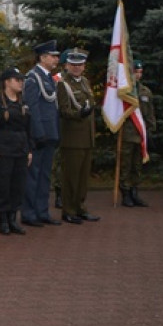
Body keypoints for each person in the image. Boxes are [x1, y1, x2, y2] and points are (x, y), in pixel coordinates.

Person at [0, 67, 32, 235]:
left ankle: (13, 219)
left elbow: (28, 127)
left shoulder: (23, 102)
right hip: (3, 150)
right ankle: (3, 220)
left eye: (21, 80)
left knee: (18, 186)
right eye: (17, 80)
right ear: (7, 82)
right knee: (3, 186)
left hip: (20, 149)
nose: (21, 83)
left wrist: (29, 149)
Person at [21, 40, 62, 228]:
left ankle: (42, 211)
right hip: (40, 136)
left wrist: (55, 132)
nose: (56, 59)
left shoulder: (48, 78)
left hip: (50, 133)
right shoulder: (32, 78)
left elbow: (52, 108)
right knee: (33, 175)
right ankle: (29, 213)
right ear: (43, 57)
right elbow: (32, 109)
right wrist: (38, 134)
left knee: (45, 175)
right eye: (53, 56)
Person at [57, 49, 99, 224]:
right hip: (72, 138)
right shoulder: (63, 84)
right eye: (73, 65)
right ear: (67, 65)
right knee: (71, 177)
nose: (77, 68)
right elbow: (63, 110)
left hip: (87, 137)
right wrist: (79, 114)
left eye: (80, 65)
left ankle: (80, 207)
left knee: (82, 177)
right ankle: (68, 210)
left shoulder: (85, 82)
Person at [119, 60, 156, 207]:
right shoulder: (124, 91)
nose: (138, 75)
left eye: (140, 72)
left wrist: (151, 129)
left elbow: (150, 113)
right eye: (135, 72)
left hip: (141, 133)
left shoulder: (145, 91)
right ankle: (125, 193)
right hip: (127, 132)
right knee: (126, 164)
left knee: (137, 165)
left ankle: (134, 191)